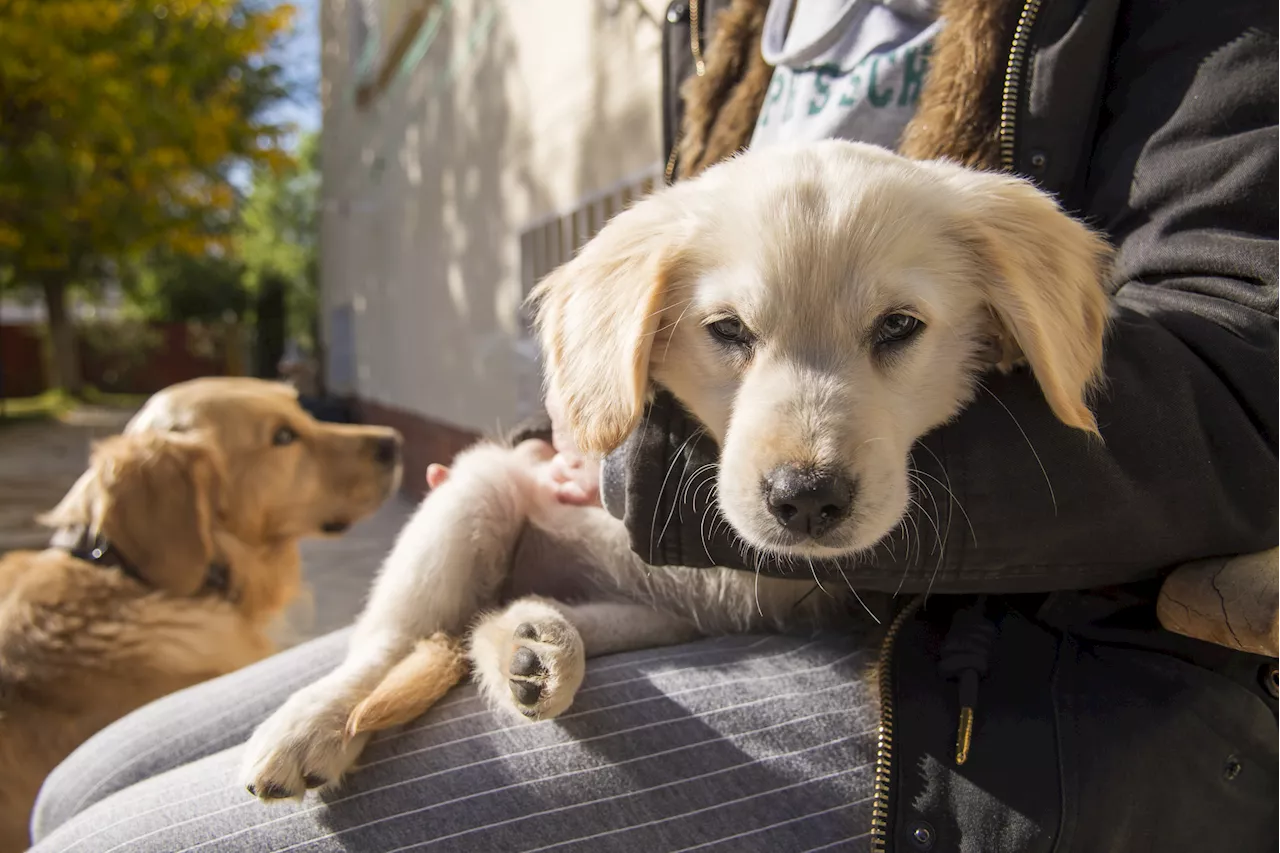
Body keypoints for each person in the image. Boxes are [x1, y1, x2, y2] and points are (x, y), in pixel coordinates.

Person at [28, 0, 1280, 850]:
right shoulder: (738, 23)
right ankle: (408, 657)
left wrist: (644, 477)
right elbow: (635, 325)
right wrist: (557, 436)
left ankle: (537, 635)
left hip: (1008, 677)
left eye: (898, 328)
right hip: (649, 568)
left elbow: (1235, 386)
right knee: (77, 779)